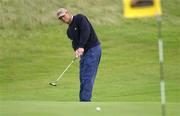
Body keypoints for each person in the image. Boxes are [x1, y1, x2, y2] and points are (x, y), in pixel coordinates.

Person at [57, 8, 101, 102]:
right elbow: (74, 42)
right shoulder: (69, 31)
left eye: (63, 16)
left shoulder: (80, 18)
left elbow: (86, 31)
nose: (63, 19)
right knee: (82, 77)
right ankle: (83, 101)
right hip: (84, 53)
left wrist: (81, 47)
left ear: (68, 13)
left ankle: (85, 102)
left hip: (93, 49)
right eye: (60, 18)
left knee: (87, 77)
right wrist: (76, 50)